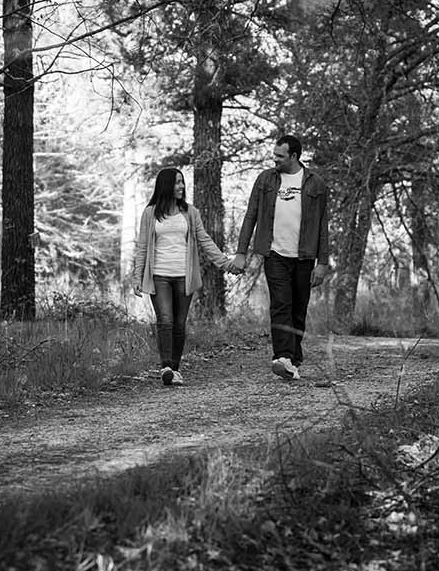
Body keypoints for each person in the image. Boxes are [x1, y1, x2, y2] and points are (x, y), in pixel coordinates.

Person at [230, 135, 330, 380]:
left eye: (280, 156)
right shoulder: (266, 179)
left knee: (298, 308)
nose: (274, 159)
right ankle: (282, 357)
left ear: (294, 156)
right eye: (274, 155)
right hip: (274, 253)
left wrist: (323, 263)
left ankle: (293, 360)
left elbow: (322, 225)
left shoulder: (316, 184)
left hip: (305, 256)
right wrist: (241, 252)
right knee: (280, 304)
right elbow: (251, 216)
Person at [131, 167, 236, 386]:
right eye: (177, 182)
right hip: (159, 275)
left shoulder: (190, 212)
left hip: (183, 276)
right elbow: (142, 247)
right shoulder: (150, 213)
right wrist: (137, 276)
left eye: (182, 182)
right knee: (166, 320)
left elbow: (205, 240)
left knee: (179, 324)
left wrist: (226, 264)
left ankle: (175, 370)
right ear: (166, 185)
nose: (181, 186)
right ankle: (166, 366)